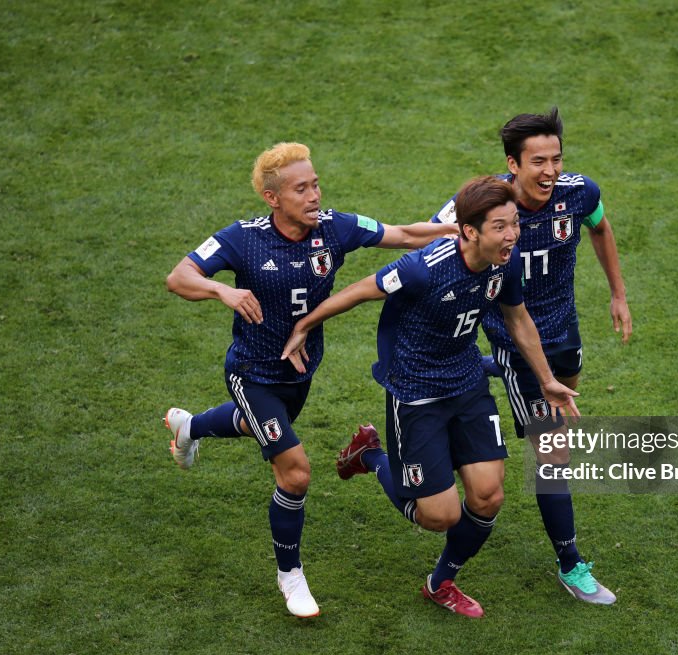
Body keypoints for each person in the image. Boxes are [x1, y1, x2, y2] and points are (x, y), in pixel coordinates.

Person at [163, 142, 458, 618]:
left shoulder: (334, 228)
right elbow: (179, 277)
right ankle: (291, 577)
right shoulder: (243, 237)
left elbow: (403, 235)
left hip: (300, 371)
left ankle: (189, 428)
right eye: (301, 188)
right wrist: (223, 288)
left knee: (256, 425)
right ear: (272, 198)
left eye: (315, 183)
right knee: (295, 470)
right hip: (252, 372)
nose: (314, 195)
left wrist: (463, 231)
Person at [280, 176, 580, 618]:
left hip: (466, 384)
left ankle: (441, 582)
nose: (512, 235)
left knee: (488, 497)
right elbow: (361, 290)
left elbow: (517, 320)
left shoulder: (505, 261)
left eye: (514, 224)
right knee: (439, 517)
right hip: (416, 392)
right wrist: (305, 325)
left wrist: (546, 379)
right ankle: (371, 456)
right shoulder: (424, 268)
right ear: (469, 231)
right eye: (500, 226)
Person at [430, 108, 631, 605]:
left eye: (556, 158)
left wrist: (617, 294)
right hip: (515, 340)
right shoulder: (483, 205)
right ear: (511, 165)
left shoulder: (579, 192)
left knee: (564, 409)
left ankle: (476, 371)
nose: (550, 171)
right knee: (553, 451)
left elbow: (600, 227)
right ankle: (570, 563)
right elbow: (429, 238)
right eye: (537, 161)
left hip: (564, 331)